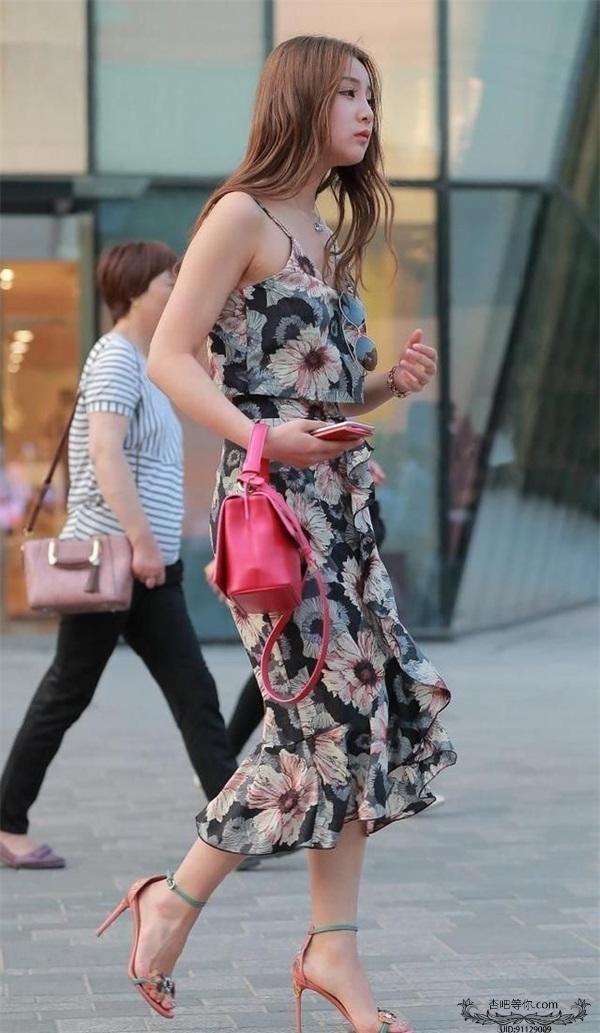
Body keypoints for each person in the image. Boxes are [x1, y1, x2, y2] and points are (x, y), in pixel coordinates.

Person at [97, 37, 457, 1033]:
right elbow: (173, 358)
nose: (366, 111)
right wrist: (261, 438)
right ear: (298, 100)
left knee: (356, 720)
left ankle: (326, 945)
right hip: (272, 514)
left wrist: (382, 385)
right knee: (320, 724)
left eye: (372, 94)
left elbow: (315, 389)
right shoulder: (240, 216)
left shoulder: (327, 237)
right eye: (347, 93)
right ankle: (180, 900)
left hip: (342, 509)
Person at [0, 241, 257, 872]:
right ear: (137, 291)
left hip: (149, 567)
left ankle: (236, 830)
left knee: (193, 692)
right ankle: (5, 823)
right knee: (67, 692)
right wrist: (143, 543)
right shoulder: (116, 358)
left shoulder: (149, 362)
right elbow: (106, 455)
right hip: (114, 561)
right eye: (170, 280)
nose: (178, 288)